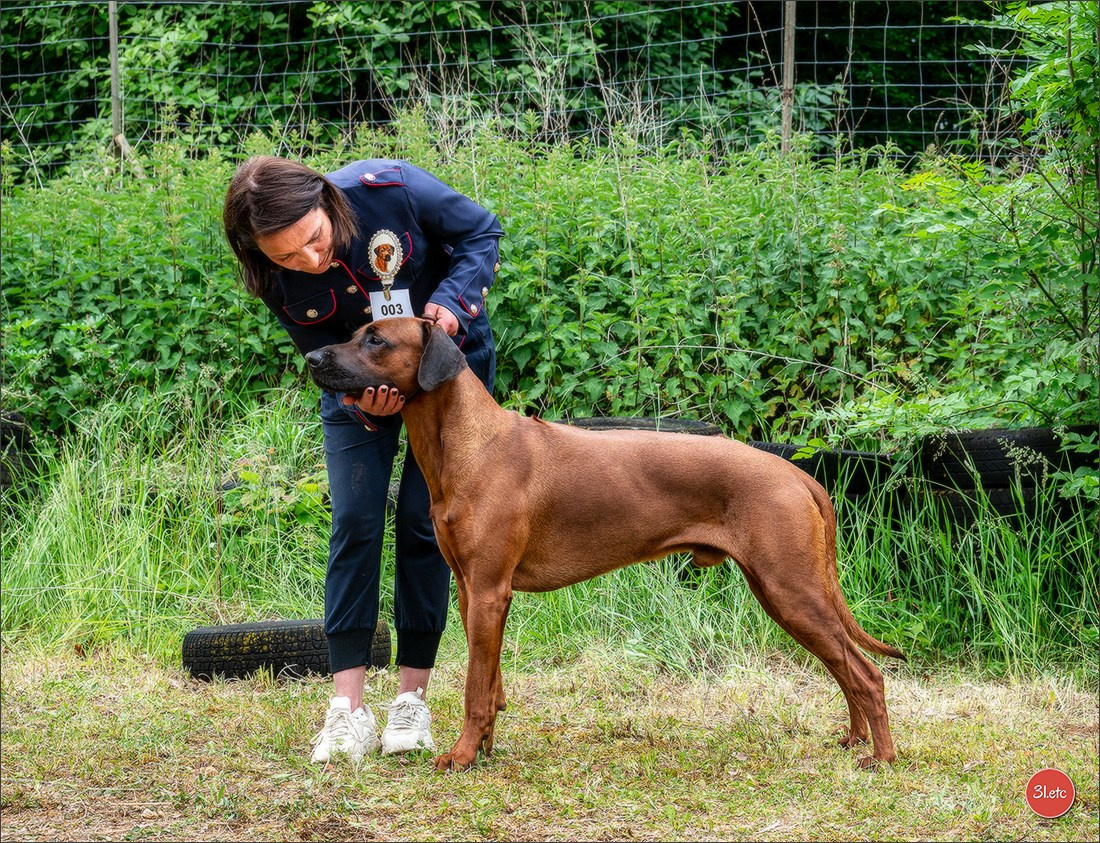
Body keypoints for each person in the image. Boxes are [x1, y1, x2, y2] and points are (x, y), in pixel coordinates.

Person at [223, 156, 502, 763]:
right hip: (362, 385)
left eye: (314, 239)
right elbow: (324, 361)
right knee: (354, 521)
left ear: (327, 200)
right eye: (287, 257)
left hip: (449, 369)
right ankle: (347, 710)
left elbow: (482, 231)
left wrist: (452, 302)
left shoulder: (390, 190)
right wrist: (362, 403)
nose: (310, 262)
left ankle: (413, 703)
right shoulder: (274, 279)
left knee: (426, 522)